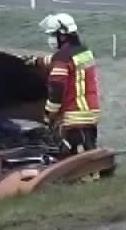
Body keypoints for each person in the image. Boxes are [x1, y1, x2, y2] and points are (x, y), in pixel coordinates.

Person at [40, 13, 103, 156]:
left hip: (74, 116)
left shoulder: (62, 58)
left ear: (62, 35)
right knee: (89, 151)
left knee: (76, 158)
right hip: (90, 113)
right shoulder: (84, 51)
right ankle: (94, 175)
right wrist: (37, 61)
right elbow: (60, 61)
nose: (51, 39)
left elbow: (56, 91)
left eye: (52, 35)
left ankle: (85, 177)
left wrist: (48, 115)